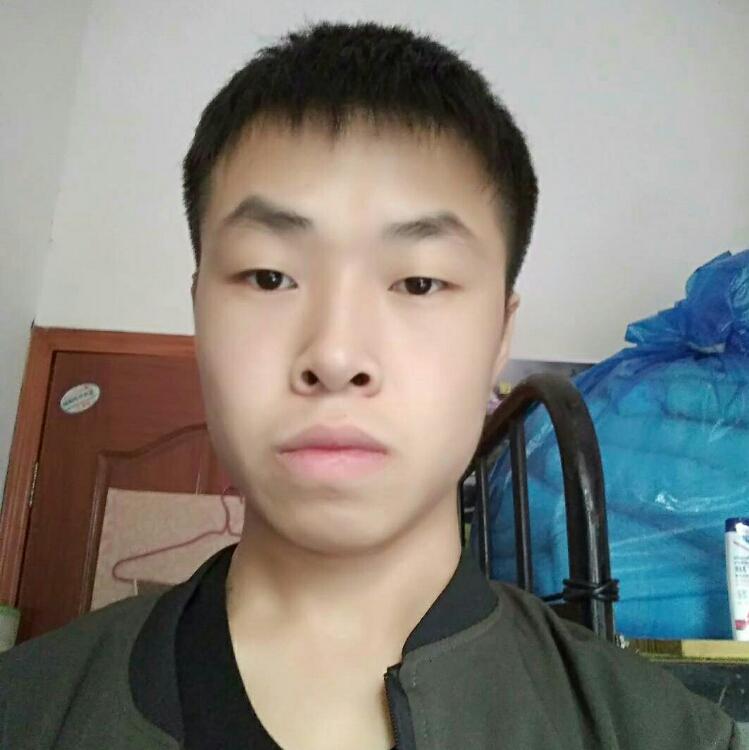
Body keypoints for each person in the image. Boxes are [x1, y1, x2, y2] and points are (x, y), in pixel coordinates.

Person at [0, 19, 745, 750]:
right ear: (199, 311)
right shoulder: (25, 712)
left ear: (500, 334)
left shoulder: (666, 735)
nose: (335, 354)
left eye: (418, 282)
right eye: (269, 276)